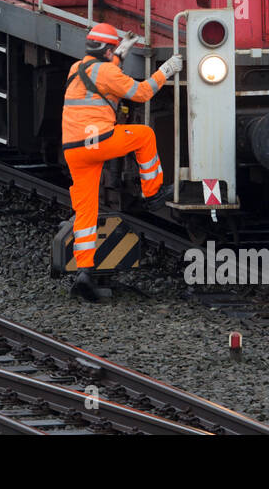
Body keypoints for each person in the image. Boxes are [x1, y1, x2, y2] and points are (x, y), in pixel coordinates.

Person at [62, 22, 182, 302]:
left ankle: (84, 272)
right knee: (144, 135)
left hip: (74, 150)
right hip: (98, 142)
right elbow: (141, 93)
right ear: (106, 49)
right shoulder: (107, 71)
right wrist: (165, 71)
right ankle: (153, 194)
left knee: (85, 212)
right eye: (113, 48)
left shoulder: (76, 68)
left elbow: (105, 73)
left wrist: (121, 53)